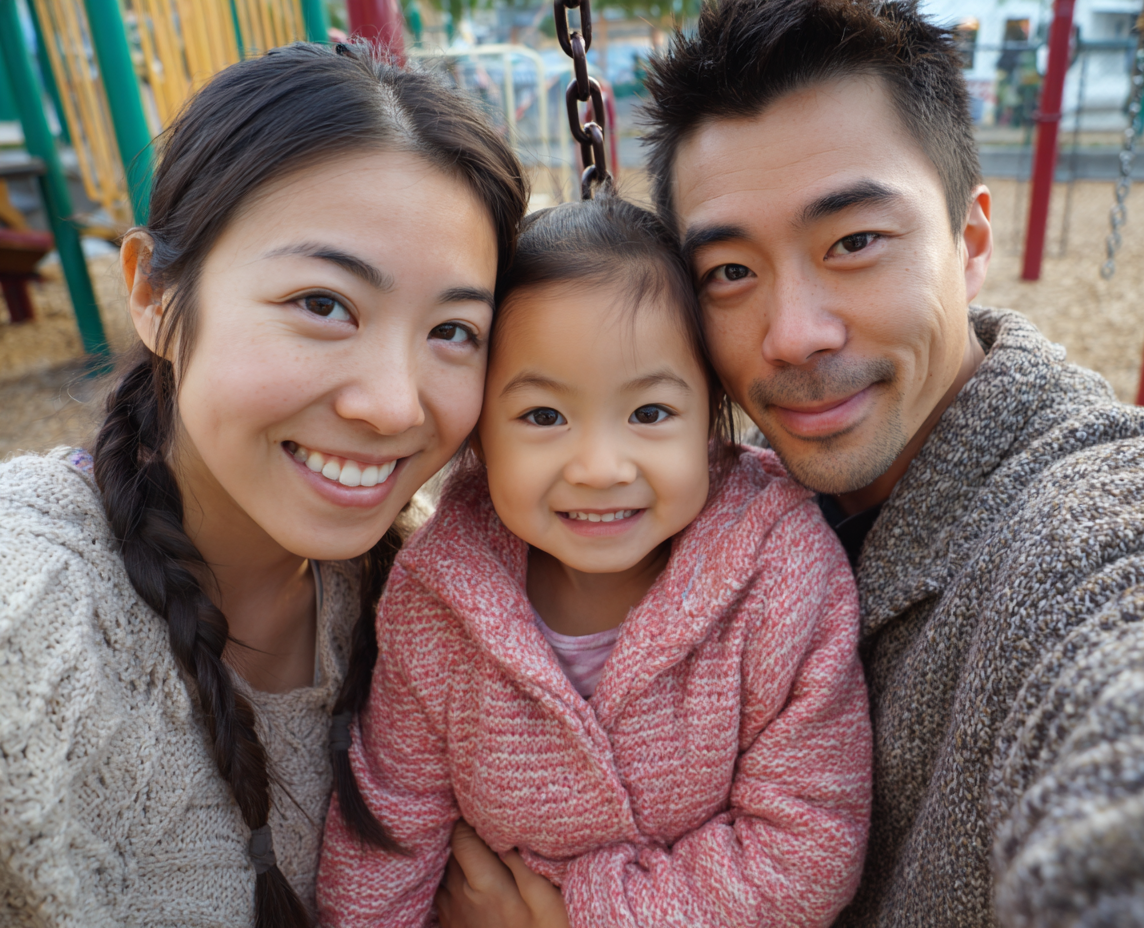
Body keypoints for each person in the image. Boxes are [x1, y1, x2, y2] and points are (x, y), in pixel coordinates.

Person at [636, 0, 1144, 925]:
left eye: (855, 243)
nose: (794, 336)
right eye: (730, 273)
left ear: (971, 241)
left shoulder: (1087, 525)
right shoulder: (703, 504)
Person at [0, 43, 525, 927]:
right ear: (155, 294)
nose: (393, 405)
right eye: (323, 304)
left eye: (455, 330)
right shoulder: (30, 631)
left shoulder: (432, 599)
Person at [315, 195, 872, 927]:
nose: (601, 467)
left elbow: (807, 853)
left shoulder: (782, 574)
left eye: (649, 414)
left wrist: (574, 917)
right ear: (480, 437)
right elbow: (389, 831)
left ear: (712, 420)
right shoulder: (438, 597)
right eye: (544, 417)